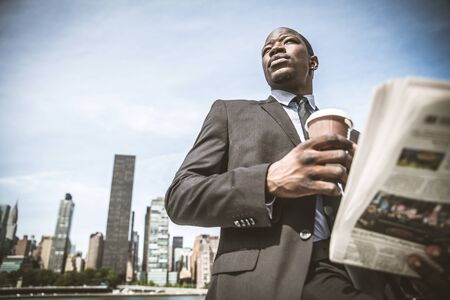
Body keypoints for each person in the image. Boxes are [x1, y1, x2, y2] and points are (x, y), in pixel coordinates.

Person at [165, 27, 448, 299]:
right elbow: (181, 197)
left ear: (312, 61)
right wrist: (269, 180)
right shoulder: (230, 112)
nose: (275, 47)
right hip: (267, 280)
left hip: (365, 279)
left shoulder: (356, 138)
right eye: (267, 49)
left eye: (288, 41)